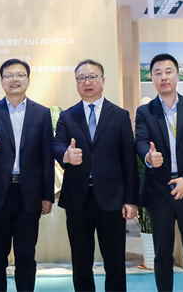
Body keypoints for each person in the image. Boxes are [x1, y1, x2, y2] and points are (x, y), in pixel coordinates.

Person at [54, 59, 138, 292]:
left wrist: (131, 200)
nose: (87, 82)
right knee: (81, 261)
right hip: (77, 199)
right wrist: (65, 155)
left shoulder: (119, 115)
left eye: (92, 77)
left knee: (115, 261)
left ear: (103, 80)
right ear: (76, 83)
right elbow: (57, 144)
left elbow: (129, 160)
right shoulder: (67, 116)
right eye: (81, 78)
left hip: (112, 199)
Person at [0, 59, 55, 292]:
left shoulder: (41, 113)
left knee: (26, 256)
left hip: (29, 195)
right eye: (9, 76)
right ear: (2, 81)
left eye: (20, 75)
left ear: (28, 80)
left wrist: (47, 194)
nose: (15, 79)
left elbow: (47, 156)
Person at [134, 54, 183, 292]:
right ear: (151, 78)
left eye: (168, 71)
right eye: (157, 73)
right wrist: (148, 157)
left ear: (178, 75)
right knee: (162, 255)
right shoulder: (145, 111)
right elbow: (140, 141)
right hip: (159, 190)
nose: (163, 77)